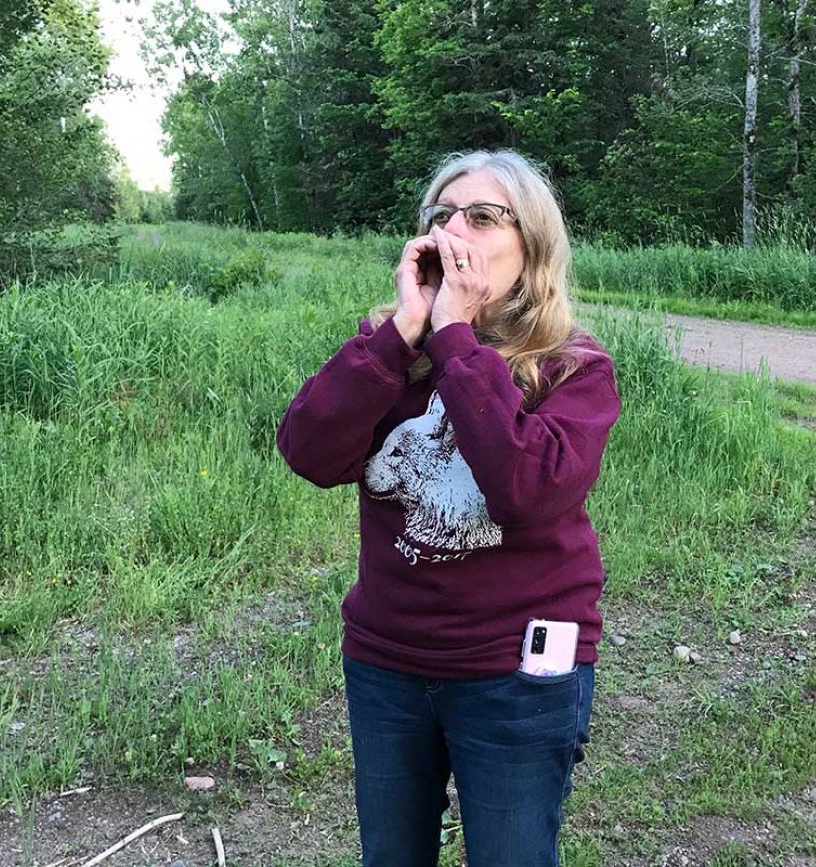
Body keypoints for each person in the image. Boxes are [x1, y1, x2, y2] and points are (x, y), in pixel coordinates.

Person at [275, 148, 622, 867]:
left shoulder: (572, 366)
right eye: (442, 214)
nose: (454, 230)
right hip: (389, 659)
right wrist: (404, 330)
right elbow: (309, 452)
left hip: (519, 668)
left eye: (483, 215)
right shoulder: (390, 349)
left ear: (531, 247)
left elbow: (529, 492)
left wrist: (457, 337)